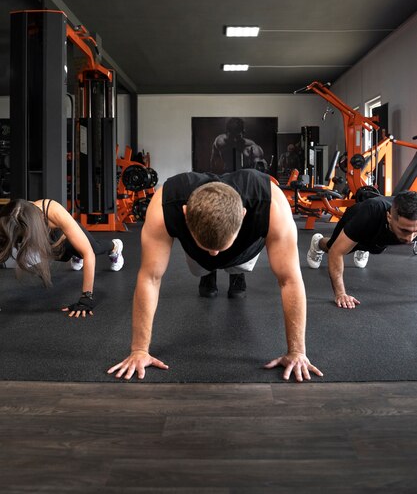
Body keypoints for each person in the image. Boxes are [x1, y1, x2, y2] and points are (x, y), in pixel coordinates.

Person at [108, 169, 323, 382]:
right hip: (196, 256)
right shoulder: (164, 205)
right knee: (204, 265)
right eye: (209, 248)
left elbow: (290, 280)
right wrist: (139, 350)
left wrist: (297, 352)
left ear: (243, 214)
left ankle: (235, 272)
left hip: (245, 250)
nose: (214, 253)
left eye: (219, 248)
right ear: (185, 212)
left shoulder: (271, 205)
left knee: (237, 266)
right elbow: (150, 278)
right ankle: (208, 272)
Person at [0, 198, 124, 318]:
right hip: (50, 241)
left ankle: (115, 246)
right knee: (62, 255)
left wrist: (86, 297)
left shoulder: (52, 210)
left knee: (93, 249)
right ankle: (76, 252)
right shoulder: (9, 220)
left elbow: (88, 253)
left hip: (65, 235)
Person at [306, 191, 417, 309]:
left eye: (415, 232)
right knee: (332, 247)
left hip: (379, 234)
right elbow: (336, 252)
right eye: (405, 231)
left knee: (376, 248)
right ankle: (318, 242)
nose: (410, 239)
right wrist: (340, 294)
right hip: (361, 221)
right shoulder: (368, 214)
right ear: (389, 217)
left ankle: (363, 247)